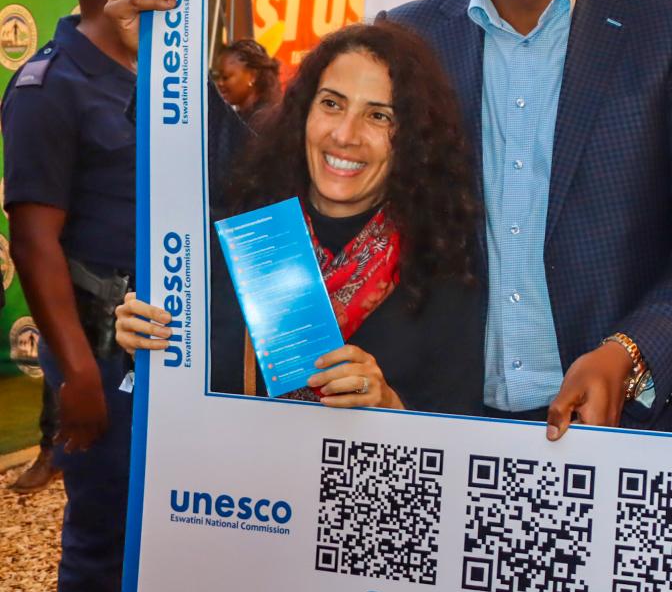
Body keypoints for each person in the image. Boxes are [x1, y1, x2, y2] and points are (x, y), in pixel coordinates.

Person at [106, 0, 672, 437]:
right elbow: (278, 163)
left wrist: (631, 350)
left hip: (621, 420)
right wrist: (158, 58)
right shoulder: (412, 33)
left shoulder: (667, 27)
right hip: (445, 420)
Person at [115, 22, 483, 414]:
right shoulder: (231, 238)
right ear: (302, 112)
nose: (345, 134)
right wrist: (143, 344)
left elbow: (453, 434)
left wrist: (390, 406)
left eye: (378, 116)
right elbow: (171, 399)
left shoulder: (442, 264)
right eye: (331, 104)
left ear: (413, 138)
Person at [2, 0, 145, 592]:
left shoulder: (157, 66)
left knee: (166, 529)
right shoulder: (48, 87)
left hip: (168, 340)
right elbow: (32, 240)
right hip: (99, 347)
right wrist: (78, 373)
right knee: (105, 532)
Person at [211, 37, 281, 126]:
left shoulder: (264, 121)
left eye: (225, 77)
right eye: (218, 77)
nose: (219, 83)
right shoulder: (239, 118)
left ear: (252, 76)